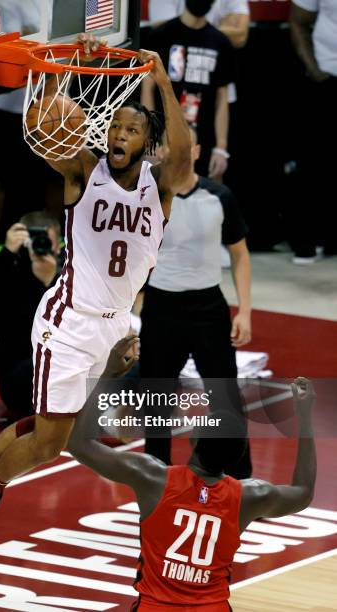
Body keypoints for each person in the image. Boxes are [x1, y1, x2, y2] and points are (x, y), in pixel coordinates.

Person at [0, 34, 192, 552]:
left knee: (50, 427)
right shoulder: (84, 172)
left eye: (131, 128)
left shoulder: (158, 189)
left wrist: (160, 80)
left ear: (146, 140)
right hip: (68, 319)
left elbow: (181, 158)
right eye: (114, 124)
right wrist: (58, 69)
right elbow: (46, 131)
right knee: (51, 442)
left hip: (113, 322)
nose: (117, 132)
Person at [68, 336, 317, 611]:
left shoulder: (153, 477)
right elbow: (303, 492)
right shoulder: (249, 496)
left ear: (193, 439)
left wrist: (109, 376)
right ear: (238, 456)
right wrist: (305, 417)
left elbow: (79, 444)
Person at [140, 127, 252, 475]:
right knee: (156, 400)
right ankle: (155, 478)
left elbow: (240, 254)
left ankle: (240, 477)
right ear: (159, 151)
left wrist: (245, 311)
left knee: (225, 396)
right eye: (170, 145)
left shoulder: (220, 196)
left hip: (208, 307)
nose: (176, 152)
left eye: (184, 145)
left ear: (198, 150)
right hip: (160, 306)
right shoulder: (145, 196)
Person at [0, 211, 60, 420]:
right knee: (43, 363)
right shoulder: (6, 275)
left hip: (63, 373)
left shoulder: (66, 276)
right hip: (19, 375)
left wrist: (49, 283)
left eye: (48, 241)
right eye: (36, 240)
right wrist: (7, 254)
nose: (42, 246)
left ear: (58, 245)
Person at [141, 0, 235, 181]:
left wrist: (221, 147)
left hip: (204, 137)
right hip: (165, 136)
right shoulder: (161, 35)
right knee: (160, 192)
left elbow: (222, 99)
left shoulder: (221, 42)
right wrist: (150, 138)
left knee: (205, 193)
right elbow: (147, 87)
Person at [289, 0, 337, 262]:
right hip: (327, 78)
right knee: (314, 164)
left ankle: (331, 240)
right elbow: (298, 21)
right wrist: (316, 71)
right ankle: (306, 240)